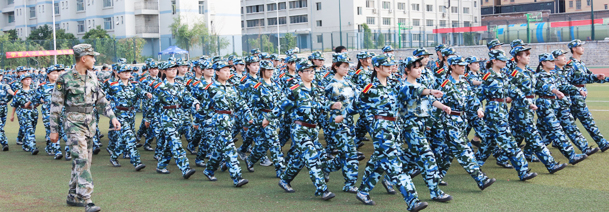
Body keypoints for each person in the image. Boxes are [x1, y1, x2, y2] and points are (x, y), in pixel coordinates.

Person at [50, 44, 121, 212]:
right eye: (92, 57)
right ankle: (87, 200)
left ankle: (73, 195)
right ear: (83, 58)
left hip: (90, 124)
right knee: (82, 160)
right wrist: (54, 129)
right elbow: (55, 106)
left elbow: (101, 100)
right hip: (73, 125)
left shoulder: (92, 77)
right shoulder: (64, 78)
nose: (95, 60)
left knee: (84, 161)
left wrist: (113, 117)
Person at [352, 55, 427, 212]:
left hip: (394, 129)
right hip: (381, 131)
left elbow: (410, 90)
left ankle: (363, 191)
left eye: (391, 65)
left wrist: (428, 91)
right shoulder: (370, 89)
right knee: (395, 164)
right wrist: (339, 115)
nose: (390, 68)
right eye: (386, 66)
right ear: (377, 68)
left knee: (378, 163)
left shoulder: (395, 85)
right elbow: (355, 105)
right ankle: (412, 201)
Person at [274, 59, 340, 200]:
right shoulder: (296, 90)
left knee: (299, 159)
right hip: (300, 129)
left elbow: (321, 105)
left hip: (313, 131)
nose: (311, 73)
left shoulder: (317, 89)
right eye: (307, 71)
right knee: (312, 158)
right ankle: (322, 190)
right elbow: (282, 106)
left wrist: (332, 105)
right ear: (299, 73)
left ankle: (285, 180)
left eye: (312, 70)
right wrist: (268, 118)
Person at [397, 56, 456, 202]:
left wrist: (443, 107)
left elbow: (430, 99)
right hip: (412, 127)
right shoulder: (404, 86)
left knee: (411, 156)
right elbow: (418, 91)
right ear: (407, 70)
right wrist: (430, 91)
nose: (419, 70)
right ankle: (435, 192)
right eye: (415, 67)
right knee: (428, 158)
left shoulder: (420, 85)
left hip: (421, 127)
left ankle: (391, 174)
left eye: (420, 67)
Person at [475, 49, 537, 181]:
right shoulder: (488, 77)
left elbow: (514, 91)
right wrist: (478, 108)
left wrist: (528, 102)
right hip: (494, 113)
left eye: (505, 60)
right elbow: (477, 96)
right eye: (502, 60)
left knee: (489, 142)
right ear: (494, 61)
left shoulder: (503, 75)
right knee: (510, 142)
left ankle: (474, 166)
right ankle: (523, 171)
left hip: (502, 111)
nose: (505, 62)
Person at [201, 60, 251, 187]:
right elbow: (204, 108)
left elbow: (240, 103)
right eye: (224, 71)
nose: (228, 73)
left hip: (230, 120)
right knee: (229, 148)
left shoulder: (231, 87)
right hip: (219, 121)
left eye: (229, 71)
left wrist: (248, 116)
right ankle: (237, 177)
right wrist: (200, 122)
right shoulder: (211, 88)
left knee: (219, 148)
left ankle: (209, 170)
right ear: (217, 72)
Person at [533, 53, 588, 166]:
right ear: (543, 63)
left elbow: (564, 85)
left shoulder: (554, 74)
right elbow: (545, 86)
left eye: (554, 61)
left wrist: (577, 90)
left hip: (554, 104)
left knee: (542, 132)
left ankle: (529, 152)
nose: (553, 63)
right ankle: (571, 155)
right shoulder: (539, 76)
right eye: (551, 61)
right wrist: (555, 91)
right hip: (545, 104)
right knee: (557, 130)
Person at [148, 61, 198, 179]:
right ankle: (185, 168)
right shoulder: (159, 87)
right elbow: (153, 106)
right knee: (176, 143)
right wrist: (150, 119)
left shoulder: (180, 85)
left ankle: (161, 165)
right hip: (167, 119)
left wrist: (195, 102)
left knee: (170, 144)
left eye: (175, 69)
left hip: (179, 118)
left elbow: (188, 97)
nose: (173, 71)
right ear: (164, 71)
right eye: (170, 69)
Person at [320, 53, 360, 193]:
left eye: (348, 67)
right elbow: (320, 102)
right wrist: (331, 105)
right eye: (344, 66)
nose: (347, 69)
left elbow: (359, 98)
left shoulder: (350, 83)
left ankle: (325, 167)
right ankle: (350, 184)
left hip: (348, 122)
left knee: (344, 154)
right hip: (337, 123)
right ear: (335, 67)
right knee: (350, 153)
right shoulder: (331, 84)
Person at [565, 39, 609, 152]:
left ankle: (551, 141)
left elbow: (592, 76)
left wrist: (605, 79)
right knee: (588, 120)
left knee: (564, 122)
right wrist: (594, 77)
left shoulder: (581, 63)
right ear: (573, 49)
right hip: (575, 97)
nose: (582, 48)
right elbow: (569, 80)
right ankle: (602, 143)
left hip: (580, 96)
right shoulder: (570, 65)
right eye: (580, 46)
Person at [244, 60, 286, 178]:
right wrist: (256, 119)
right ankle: (280, 169)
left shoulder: (276, 84)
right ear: (263, 71)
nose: (271, 72)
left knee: (263, 144)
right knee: (274, 143)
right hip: (263, 118)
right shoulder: (258, 86)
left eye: (272, 70)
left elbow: (282, 101)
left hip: (274, 117)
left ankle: (250, 160)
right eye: (268, 70)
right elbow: (253, 105)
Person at [107, 65, 151, 170]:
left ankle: (113, 157)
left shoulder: (134, 86)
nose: (127, 73)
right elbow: (105, 99)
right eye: (124, 71)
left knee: (123, 139)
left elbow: (142, 93)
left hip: (131, 115)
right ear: (118, 73)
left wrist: (147, 94)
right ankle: (136, 162)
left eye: (128, 71)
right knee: (130, 137)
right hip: (119, 115)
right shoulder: (113, 86)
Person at [33, 66, 63, 159]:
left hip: (60, 112)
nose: (55, 75)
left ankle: (50, 146)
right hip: (47, 113)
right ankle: (57, 151)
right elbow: (35, 99)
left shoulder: (61, 85)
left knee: (61, 131)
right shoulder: (42, 86)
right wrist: (40, 101)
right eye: (53, 73)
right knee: (51, 130)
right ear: (48, 75)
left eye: (57, 73)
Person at [10, 74, 39, 154]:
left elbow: (38, 101)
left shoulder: (34, 91)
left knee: (32, 129)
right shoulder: (18, 92)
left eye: (29, 79)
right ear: (22, 81)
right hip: (24, 112)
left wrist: (37, 104)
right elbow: (14, 104)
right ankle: (33, 147)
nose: (28, 81)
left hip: (34, 111)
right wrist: (12, 115)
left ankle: (26, 145)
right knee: (29, 130)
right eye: (26, 79)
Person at [0, 70, 12, 151]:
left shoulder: (5, 85)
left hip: (3, 107)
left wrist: (15, 94)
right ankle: (5, 143)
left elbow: (10, 92)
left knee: (2, 125)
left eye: (0, 75)